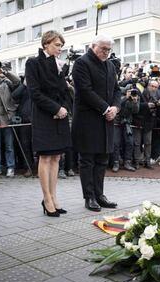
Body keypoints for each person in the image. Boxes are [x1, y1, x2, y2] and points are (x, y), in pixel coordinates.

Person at [72, 34, 121, 212]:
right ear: (93, 46)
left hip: (106, 119)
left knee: (102, 159)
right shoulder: (81, 63)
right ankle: (89, 197)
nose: (106, 52)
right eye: (103, 48)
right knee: (87, 159)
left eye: (109, 49)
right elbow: (85, 91)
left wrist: (115, 107)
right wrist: (106, 108)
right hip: (88, 119)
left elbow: (117, 90)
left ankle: (100, 195)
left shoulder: (110, 65)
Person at [25, 30, 71, 217]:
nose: (60, 49)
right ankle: (47, 199)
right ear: (46, 44)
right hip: (44, 116)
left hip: (59, 115)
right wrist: (56, 109)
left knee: (57, 157)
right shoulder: (33, 63)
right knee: (45, 157)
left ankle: (54, 196)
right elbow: (34, 93)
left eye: (61, 45)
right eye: (57, 45)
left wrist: (65, 108)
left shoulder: (59, 64)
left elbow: (65, 91)